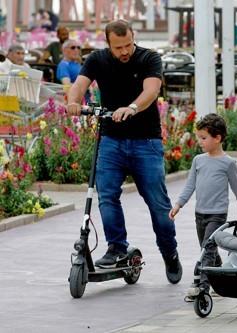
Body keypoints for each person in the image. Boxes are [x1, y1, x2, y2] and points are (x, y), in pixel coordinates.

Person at [66, 19, 182, 284]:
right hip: (111, 141)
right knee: (106, 196)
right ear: (108, 44)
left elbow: (151, 91)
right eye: (118, 47)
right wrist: (73, 102)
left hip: (146, 142)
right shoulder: (97, 59)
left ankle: (169, 252)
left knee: (158, 203)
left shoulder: (148, 58)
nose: (124, 51)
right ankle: (117, 247)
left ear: (133, 37)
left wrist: (131, 107)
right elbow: (80, 84)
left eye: (128, 44)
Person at [169, 113, 237, 299]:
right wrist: (178, 204)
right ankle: (220, 279)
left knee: (207, 249)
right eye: (198, 137)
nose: (200, 141)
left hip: (217, 215)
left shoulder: (228, 163)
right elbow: (190, 185)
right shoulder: (198, 161)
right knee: (209, 249)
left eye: (203, 138)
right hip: (199, 214)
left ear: (217, 138)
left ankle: (201, 286)